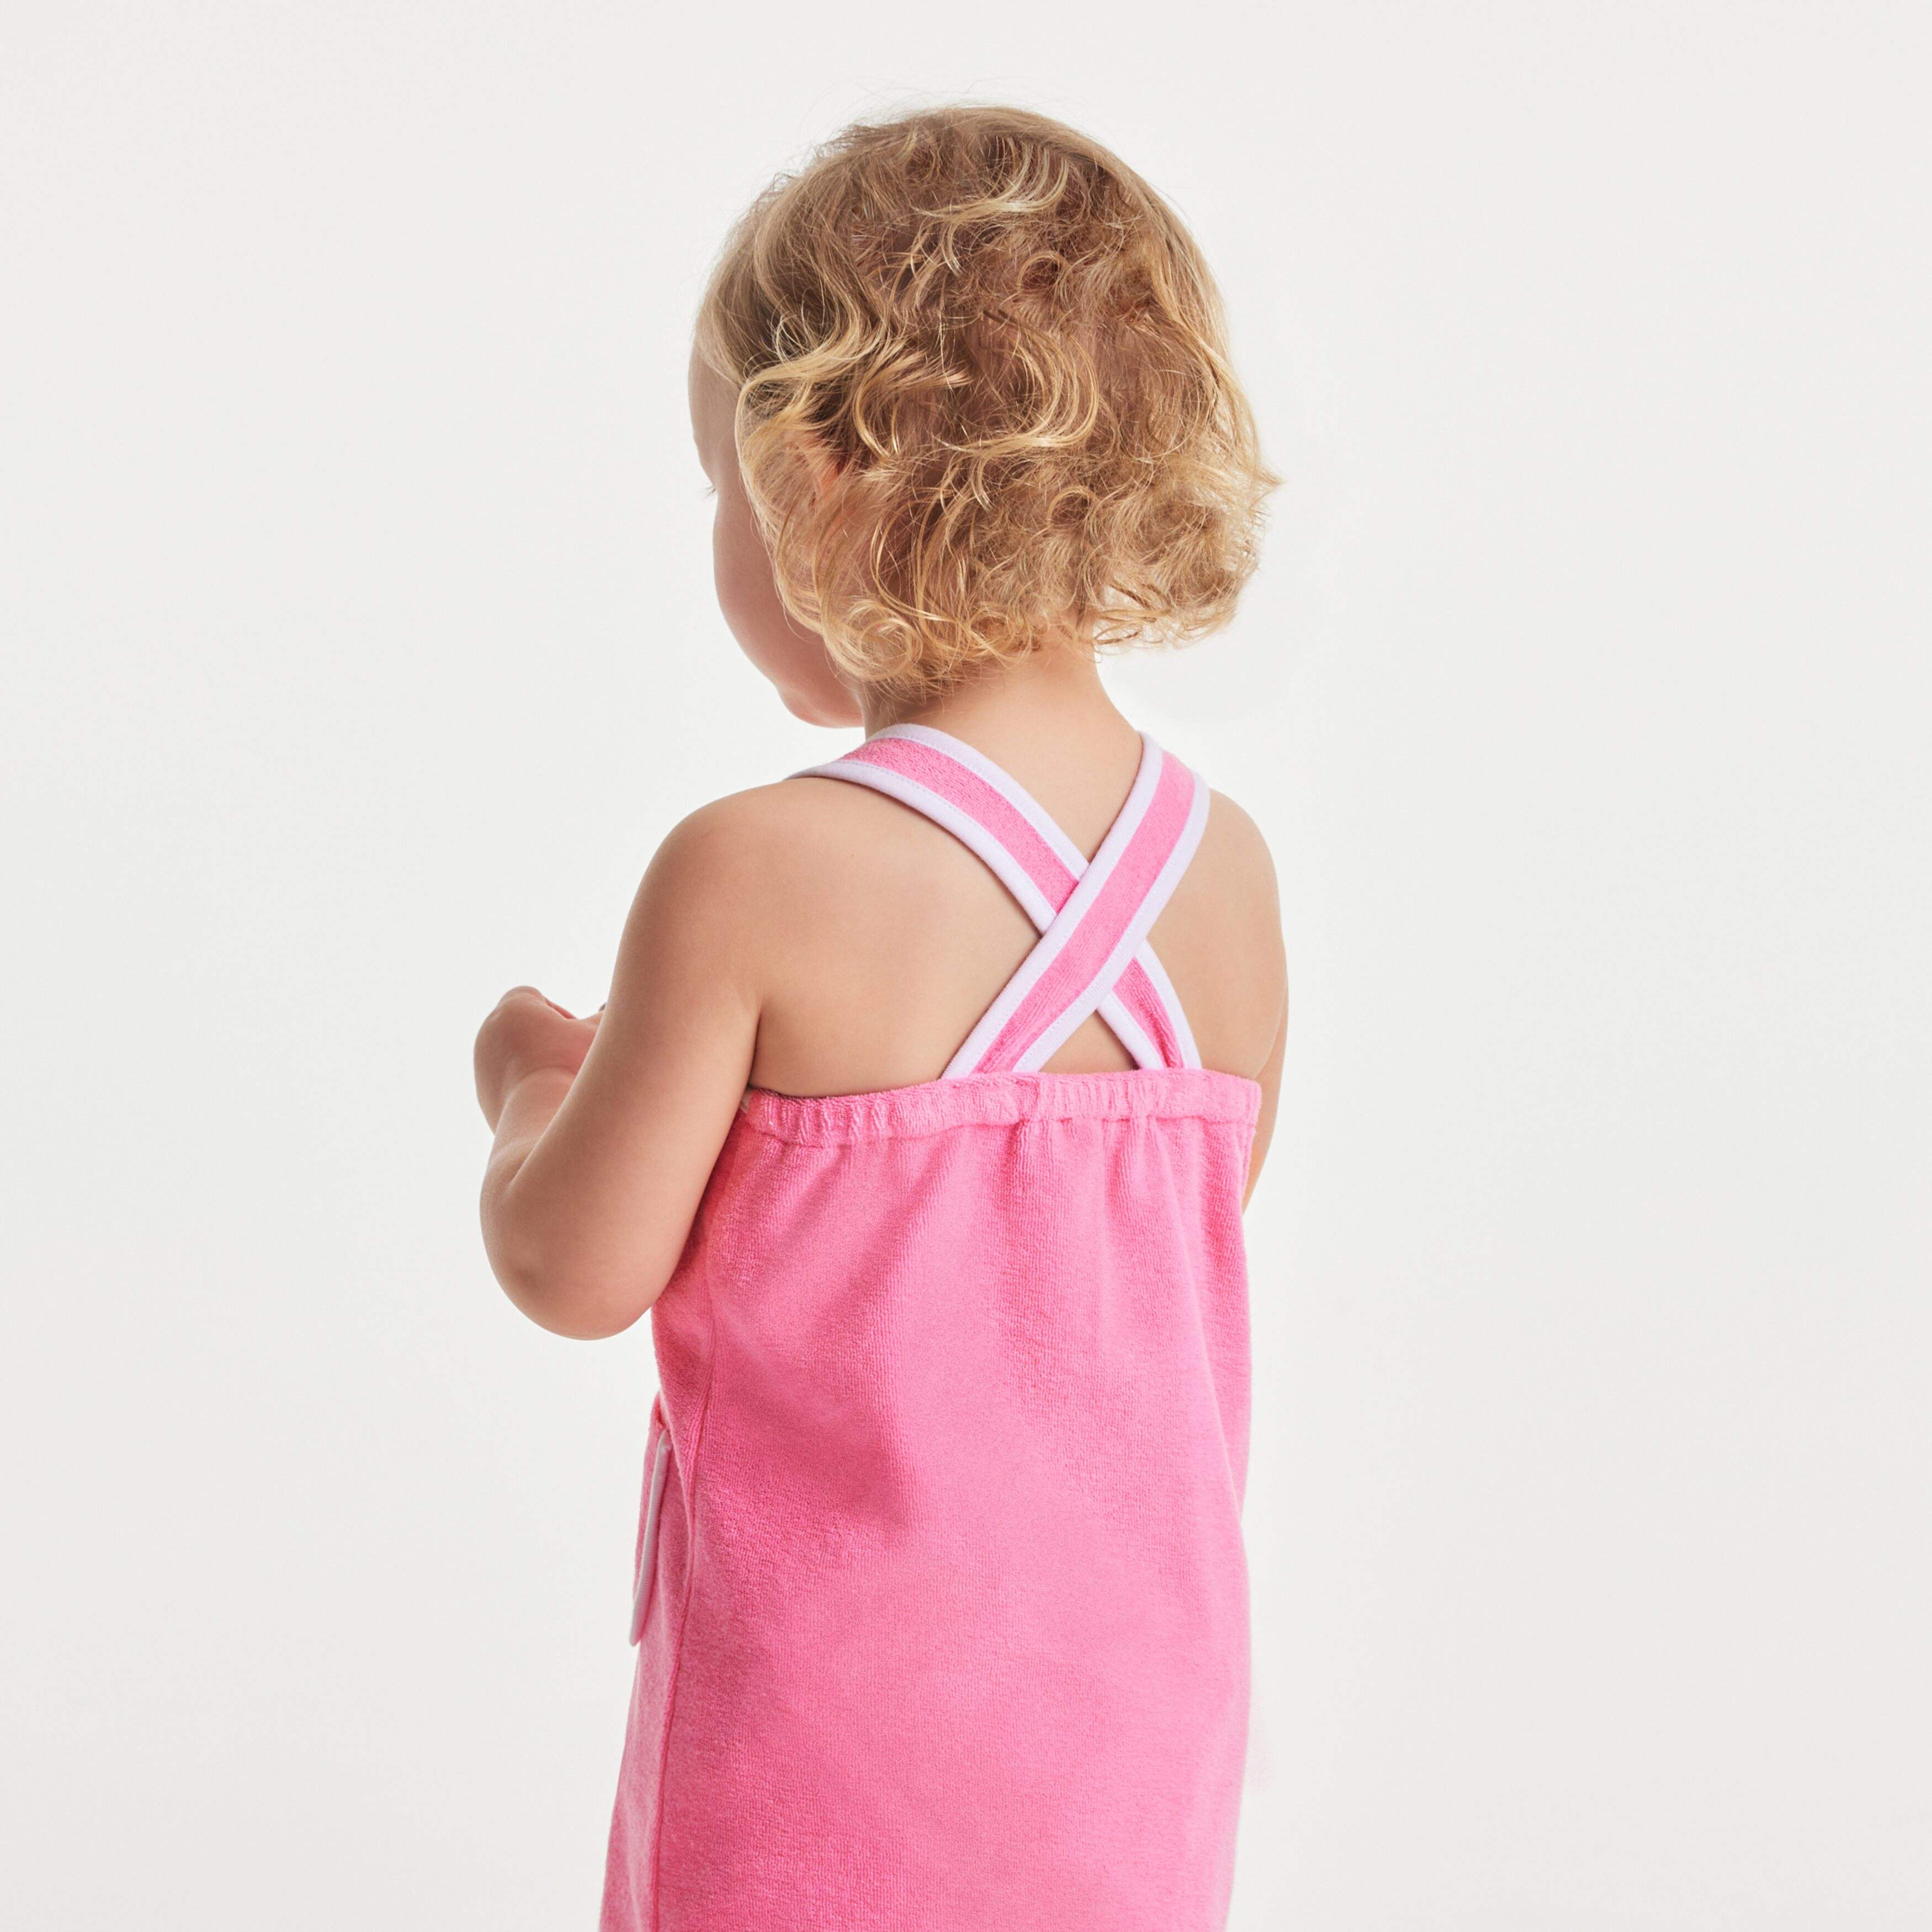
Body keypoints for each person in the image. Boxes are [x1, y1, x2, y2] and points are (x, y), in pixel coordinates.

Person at [473, 103, 1287, 1932]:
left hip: (817, 1778)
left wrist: (531, 1083)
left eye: (714, 482)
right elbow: (1152, 1279)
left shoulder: (753, 869)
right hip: (1126, 1778)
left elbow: (572, 1264)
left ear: (810, 480)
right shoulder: (1224, 875)